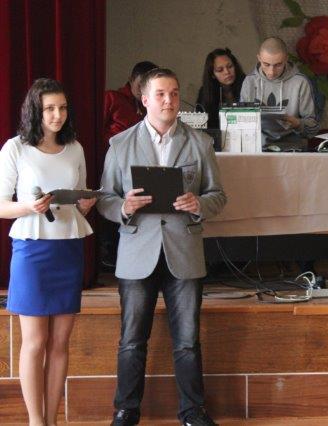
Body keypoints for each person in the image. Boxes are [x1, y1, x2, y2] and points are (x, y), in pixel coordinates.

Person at [97, 68, 226, 426]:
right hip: (137, 251)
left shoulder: (200, 143)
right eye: (160, 94)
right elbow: (104, 198)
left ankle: (193, 412)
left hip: (184, 251)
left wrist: (199, 204)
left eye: (174, 93)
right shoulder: (120, 144)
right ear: (144, 100)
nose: (169, 101)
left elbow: (218, 195)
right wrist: (124, 207)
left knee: (187, 341)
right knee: (131, 341)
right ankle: (126, 411)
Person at [0, 78, 96, 426]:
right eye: (50, 109)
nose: (58, 115)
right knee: (34, 342)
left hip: (68, 248)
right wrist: (29, 206)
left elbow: (80, 199)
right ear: (35, 111)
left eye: (63, 108)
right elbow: (1, 205)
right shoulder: (15, 148)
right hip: (31, 250)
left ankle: (52, 420)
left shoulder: (75, 148)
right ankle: (35, 421)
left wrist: (86, 203)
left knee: (59, 343)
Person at [100, 60, 157, 269]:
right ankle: (108, 251)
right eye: (140, 84)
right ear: (131, 80)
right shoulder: (112, 97)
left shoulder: (149, 105)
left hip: (142, 164)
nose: (143, 90)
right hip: (113, 160)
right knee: (112, 202)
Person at [240, 36, 319, 149]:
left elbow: (313, 129)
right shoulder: (249, 81)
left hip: (292, 149)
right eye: (266, 64)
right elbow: (242, 124)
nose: (271, 72)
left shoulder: (300, 82)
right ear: (259, 58)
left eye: (278, 65)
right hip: (257, 148)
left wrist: (297, 123)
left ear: (286, 59)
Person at [196, 48, 245, 129]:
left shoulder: (247, 84)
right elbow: (201, 125)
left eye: (230, 66)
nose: (227, 72)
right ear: (212, 75)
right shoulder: (205, 92)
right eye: (220, 70)